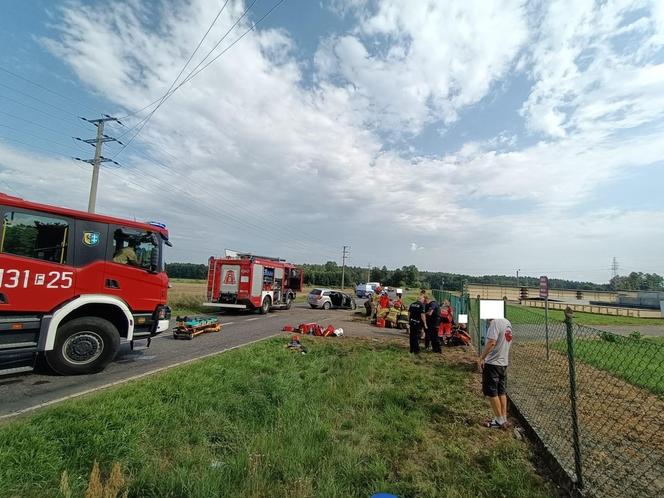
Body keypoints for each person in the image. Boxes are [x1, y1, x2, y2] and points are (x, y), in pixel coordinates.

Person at [478, 317, 514, 429]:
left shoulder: (494, 323)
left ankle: (499, 421)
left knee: (492, 392)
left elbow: (491, 342)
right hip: (503, 362)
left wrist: (481, 358)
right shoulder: (507, 322)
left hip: (493, 363)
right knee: (501, 391)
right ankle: (503, 418)